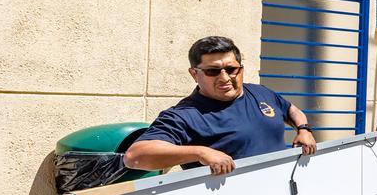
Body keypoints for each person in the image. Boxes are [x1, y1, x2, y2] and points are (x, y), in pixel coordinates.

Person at [124, 36, 316, 175]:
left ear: (240, 68)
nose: (224, 78)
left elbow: (291, 109)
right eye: (212, 71)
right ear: (194, 74)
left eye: (231, 69)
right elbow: (135, 156)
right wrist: (200, 152)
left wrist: (303, 129)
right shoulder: (184, 115)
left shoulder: (261, 92)